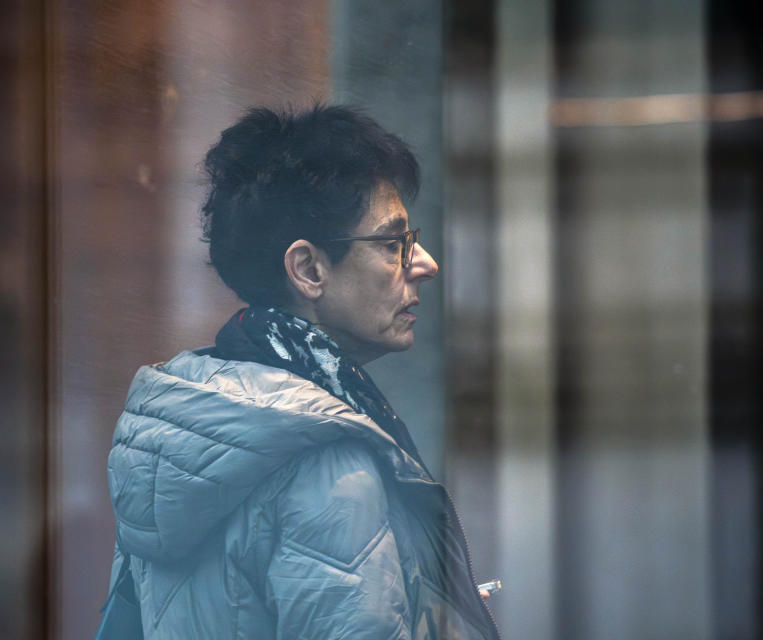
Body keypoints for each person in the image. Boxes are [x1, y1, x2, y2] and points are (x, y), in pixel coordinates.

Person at [104, 105, 500, 638]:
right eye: (392, 243)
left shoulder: (187, 426)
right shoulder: (324, 457)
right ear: (309, 269)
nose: (424, 263)